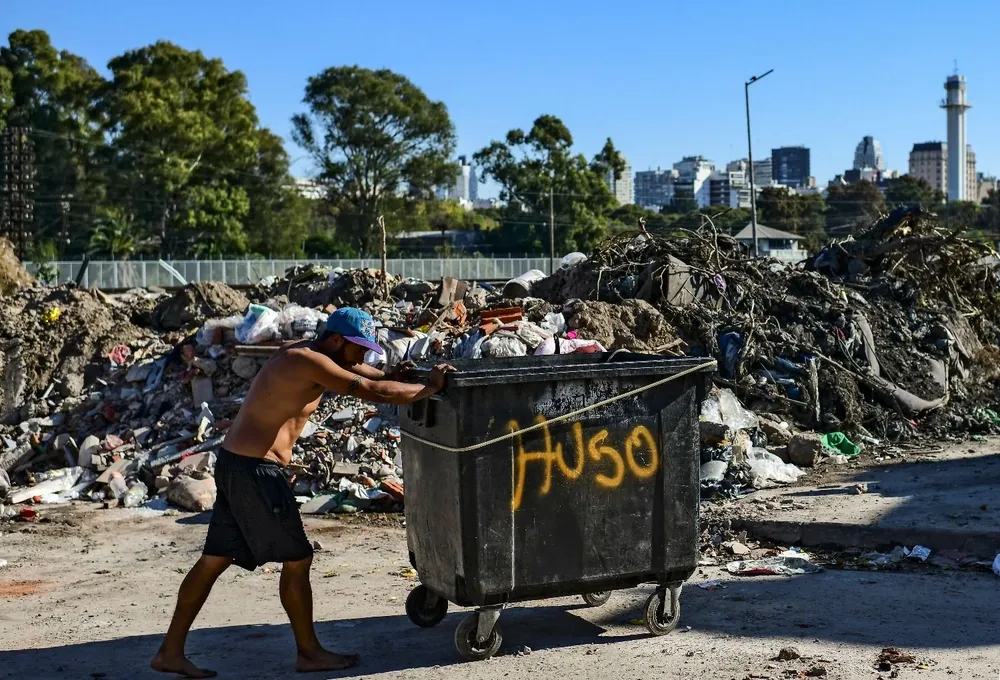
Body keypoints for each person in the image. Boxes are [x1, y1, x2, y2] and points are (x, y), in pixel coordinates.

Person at [152, 307, 454, 678]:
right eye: (359, 347)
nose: (363, 355)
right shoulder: (305, 361)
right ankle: (308, 652)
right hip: (256, 470)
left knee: (215, 558)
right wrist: (430, 388)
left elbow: (368, 374)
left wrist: (397, 375)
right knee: (297, 557)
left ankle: (170, 651)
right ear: (337, 340)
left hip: (237, 462)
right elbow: (373, 390)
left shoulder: (312, 353)